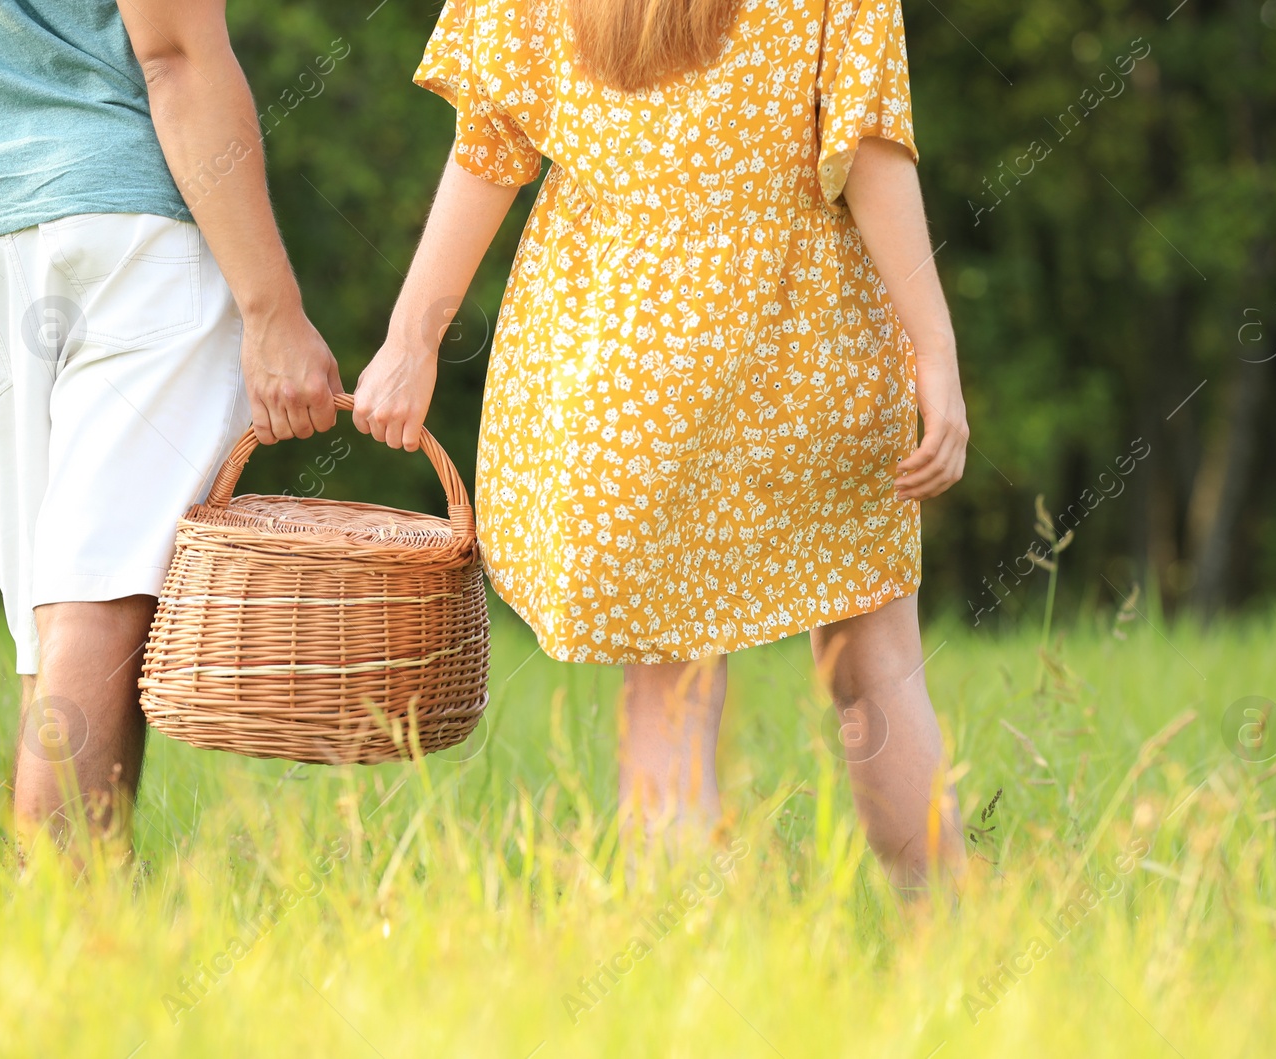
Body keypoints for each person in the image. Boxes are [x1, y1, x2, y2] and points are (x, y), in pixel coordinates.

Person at [355, 0, 969, 890]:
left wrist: (412, 340)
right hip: (808, 341)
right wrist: (933, 349)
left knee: (669, 692)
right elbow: (868, 148)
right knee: (876, 670)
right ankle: (953, 949)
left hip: (622, 362)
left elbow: (488, 147)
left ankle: (683, 974)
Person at [0, 0, 342, 854]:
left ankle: (66, 933)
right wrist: (273, 309)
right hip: (130, 234)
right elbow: (177, 56)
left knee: (55, 628)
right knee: (97, 606)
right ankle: (69, 942)